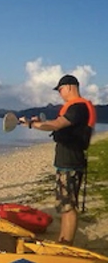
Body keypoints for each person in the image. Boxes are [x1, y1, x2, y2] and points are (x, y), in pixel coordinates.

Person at [20, 75, 96, 246]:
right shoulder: (75, 108)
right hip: (65, 162)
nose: (60, 94)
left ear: (69, 87)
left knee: (68, 207)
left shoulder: (78, 107)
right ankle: (63, 240)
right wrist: (41, 122)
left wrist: (31, 125)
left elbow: (56, 125)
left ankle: (66, 245)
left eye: (60, 90)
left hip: (71, 163)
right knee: (64, 205)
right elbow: (56, 123)